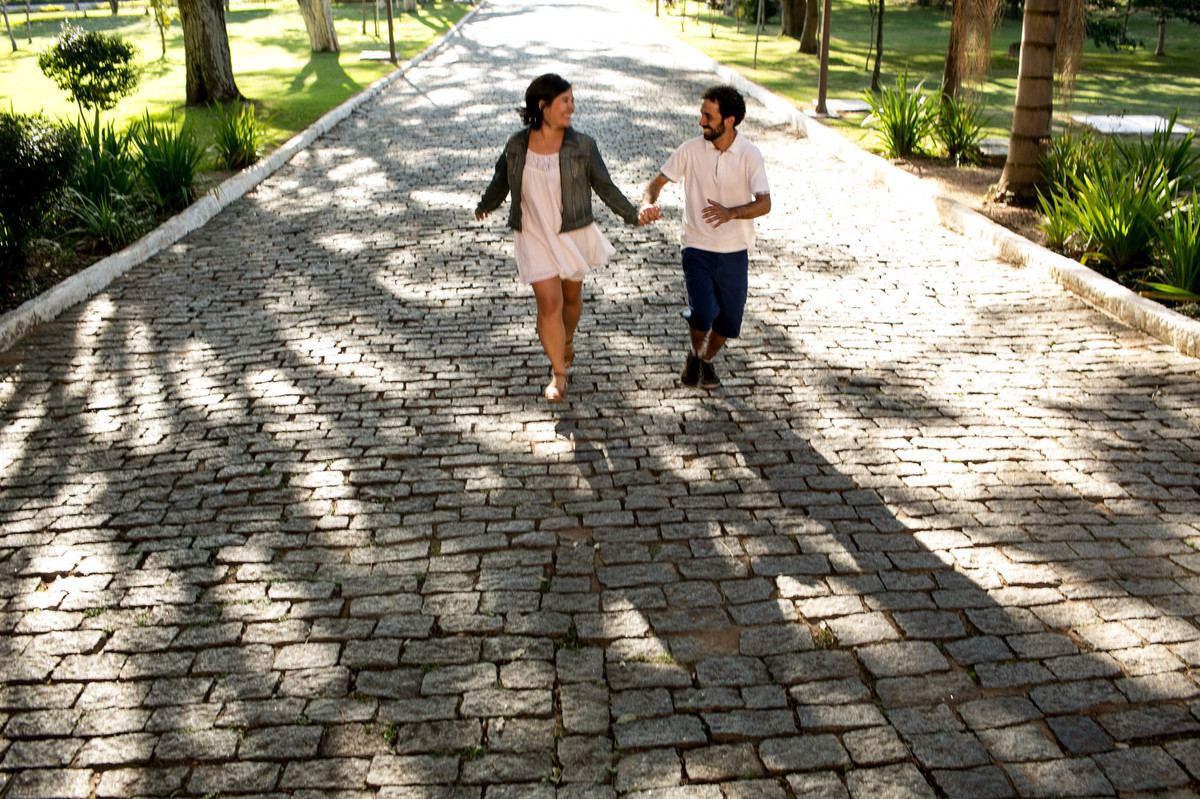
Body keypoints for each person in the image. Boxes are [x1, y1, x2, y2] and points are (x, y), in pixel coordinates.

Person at [475, 73, 660, 403]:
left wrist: (634, 214)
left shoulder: (582, 145)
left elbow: (604, 186)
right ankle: (558, 374)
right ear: (543, 107)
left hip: (572, 231)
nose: (572, 107)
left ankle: (568, 337)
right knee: (550, 303)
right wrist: (486, 205)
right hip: (532, 231)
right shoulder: (517, 144)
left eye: (572, 100)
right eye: (566, 101)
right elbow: (501, 179)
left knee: (571, 301)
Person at [640, 85, 771, 390]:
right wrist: (647, 203)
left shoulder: (750, 154)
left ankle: (705, 361)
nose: (701, 122)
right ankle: (695, 351)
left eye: (708, 116)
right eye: (702, 114)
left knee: (729, 322)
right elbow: (655, 183)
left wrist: (732, 212)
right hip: (696, 245)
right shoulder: (690, 150)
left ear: (729, 120)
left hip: (734, 250)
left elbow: (765, 203)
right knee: (702, 311)